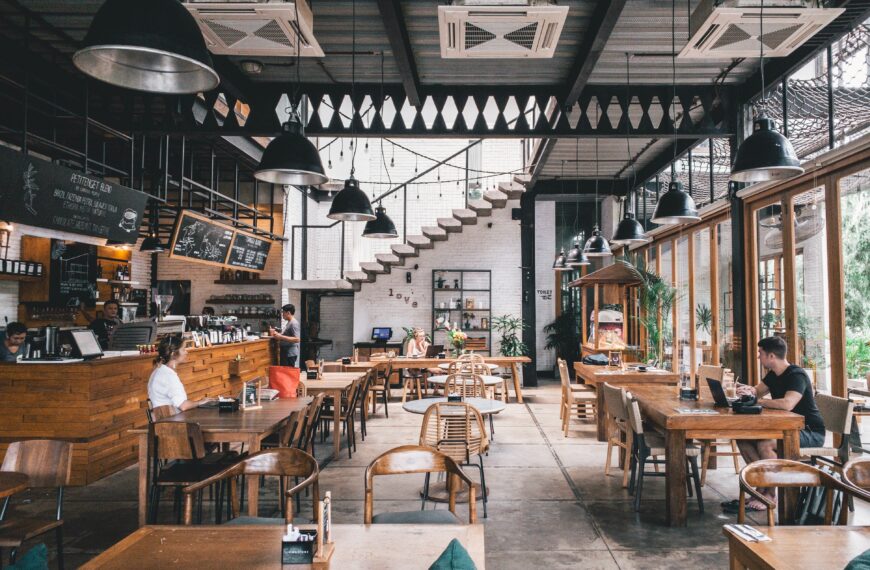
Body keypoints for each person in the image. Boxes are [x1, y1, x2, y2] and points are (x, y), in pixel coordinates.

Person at [723, 336, 826, 513]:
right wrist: (748, 390)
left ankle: (770, 494)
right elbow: (757, 391)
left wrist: (758, 401)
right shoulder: (773, 375)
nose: (758, 357)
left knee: (766, 443)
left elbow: (788, 404)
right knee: (743, 438)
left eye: (760, 353)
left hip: (809, 432)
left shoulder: (796, 375)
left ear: (771, 356)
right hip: (786, 428)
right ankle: (761, 488)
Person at [147, 336, 212, 411]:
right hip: (170, 420)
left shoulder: (159, 370)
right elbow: (183, 406)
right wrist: (200, 402)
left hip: (165, 418)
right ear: (174, 353)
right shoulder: (168, 375)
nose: (186, 352)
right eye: (183, 349)